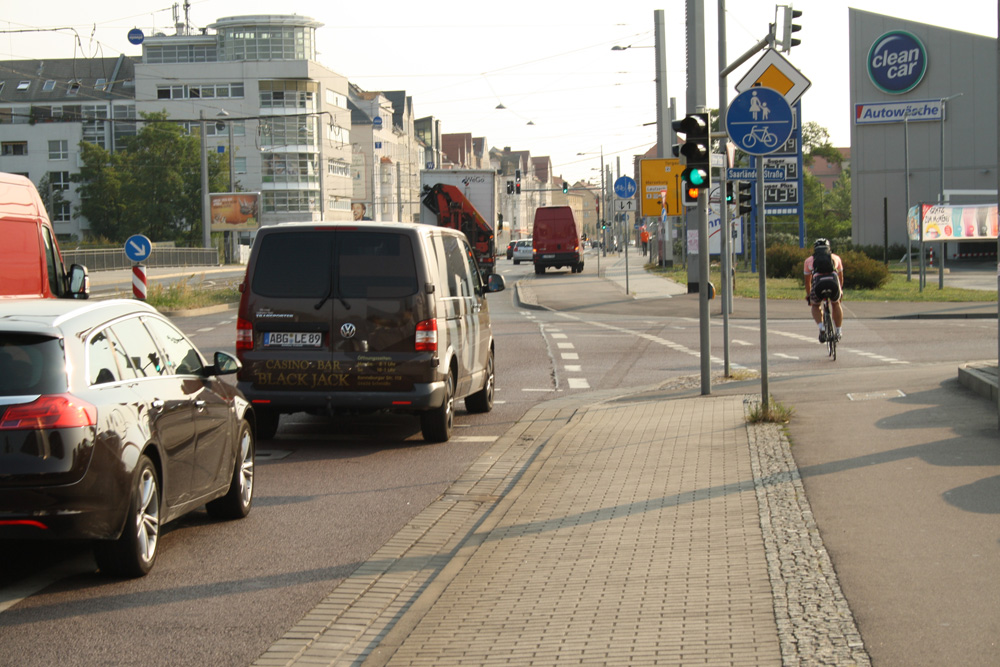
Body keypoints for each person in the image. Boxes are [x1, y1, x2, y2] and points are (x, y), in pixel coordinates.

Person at [804, 238, 844, 343]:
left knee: (815, 305)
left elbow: (808, 282)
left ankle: (821, 328)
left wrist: (809, 296)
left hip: (818, 286)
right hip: (833, 284)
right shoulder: (836, 258)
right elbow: (840, 278)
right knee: (836, 304)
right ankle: (839, 331)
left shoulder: (808, 260)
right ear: (829, 248)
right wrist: (840, 292)